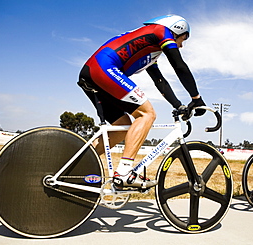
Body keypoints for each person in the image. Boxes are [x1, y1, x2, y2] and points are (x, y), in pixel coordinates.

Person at [77, 15, 206, 190]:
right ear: (176, 29)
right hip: (104, 68)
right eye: (182, 39)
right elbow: (179, 66)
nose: (181, 45)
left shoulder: (150, 49)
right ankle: (124, 173)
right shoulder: (161, 31)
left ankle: (74, 166)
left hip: (93, 72)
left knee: (121, 126)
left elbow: (160, 81)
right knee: (147, 114)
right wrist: (196, 98)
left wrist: (178, 105)